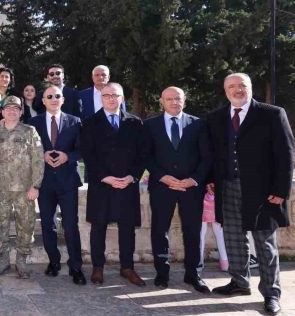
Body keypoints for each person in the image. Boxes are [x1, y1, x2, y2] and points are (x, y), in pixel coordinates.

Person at [207, 73, 295, 315]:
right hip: (227, 187)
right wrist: (210, 180)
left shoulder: (272, 114)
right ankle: (239, 282)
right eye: (232, 86)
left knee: (265, 243)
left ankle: (271, 293)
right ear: (225, 90)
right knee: (233, 238)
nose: (237, 90)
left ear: (250, 87)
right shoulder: (215, 117)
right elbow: (213, 154)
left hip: (263, 191)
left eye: (242, 85)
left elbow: (286, 154)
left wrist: (281, 190)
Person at [80, 82, 148, 287]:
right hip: (102, 183)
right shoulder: (91, 122)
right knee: (98, 226)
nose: (111, 98)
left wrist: (132, 177)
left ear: (122, 98)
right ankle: (97, 267)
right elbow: (88, 155)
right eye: (107, 95)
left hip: (127, 184)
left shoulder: (135, 123)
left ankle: (127, 267)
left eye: (115, 95)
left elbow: (142, 154)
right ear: (101, 98)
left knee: (127, 227)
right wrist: (105, 177)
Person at [145, 87, 211, 292]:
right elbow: (146, 155)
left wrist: (193, 180)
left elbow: (207, 156)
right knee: (159, 230)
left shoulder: (198, 124)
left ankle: (194, 274)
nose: (174, 102)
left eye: (178, 99)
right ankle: (161, 274)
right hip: (162, 186)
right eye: (169, 99)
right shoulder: (150, 125)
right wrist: (162, 177)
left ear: (185, 100)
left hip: (191, 188)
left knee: (192, 231)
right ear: (161, 101)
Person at [29, 85, 86, 284]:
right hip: (44, 182)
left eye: (57, 96)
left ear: (63, 100)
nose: (54, 99)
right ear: (43, 101)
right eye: (49, 96)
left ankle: (76, 267)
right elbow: (29, 152)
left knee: (70, 225)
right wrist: (41, 155)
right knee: (47, 225)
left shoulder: (75, 121)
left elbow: (83, 150)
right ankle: (54, 262)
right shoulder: (33, 123)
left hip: (68, 181)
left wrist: (67, 156)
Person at [0, 96, 43, 278]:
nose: (12, 111)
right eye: (8, 108)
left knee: (26, 225)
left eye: (16, 108)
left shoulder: (30, 131)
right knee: (0, 224)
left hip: (24, 189)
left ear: (21, 112)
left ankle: (21, 260)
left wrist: (36, 185)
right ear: (2, 111)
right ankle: (3, 259)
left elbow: (38, 160)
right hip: (0, 189)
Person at [201, 192, 228, 272]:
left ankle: (198, 262)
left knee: (200, 233)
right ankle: (224, 262)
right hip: (217, 198)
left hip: (201, 197)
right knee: (220, 233)